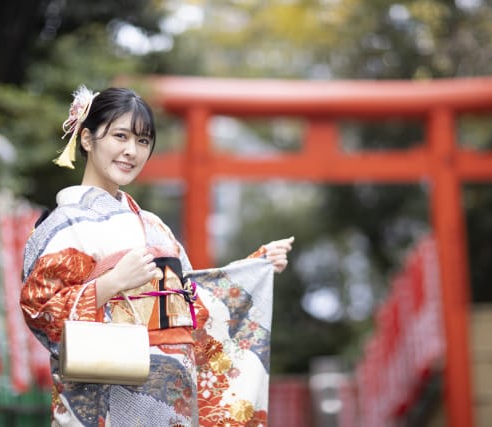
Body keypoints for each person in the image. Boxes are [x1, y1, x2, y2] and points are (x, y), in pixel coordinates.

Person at [20, 86, 294, 426]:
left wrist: (254, 268)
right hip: (101, 405)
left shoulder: (155, 227)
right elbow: (40, 310)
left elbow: (193, 302)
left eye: (143, 142)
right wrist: (111, 283)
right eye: (120, 136)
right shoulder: (64, 224)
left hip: (168, 407)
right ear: (87, 139)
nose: (131, 151)